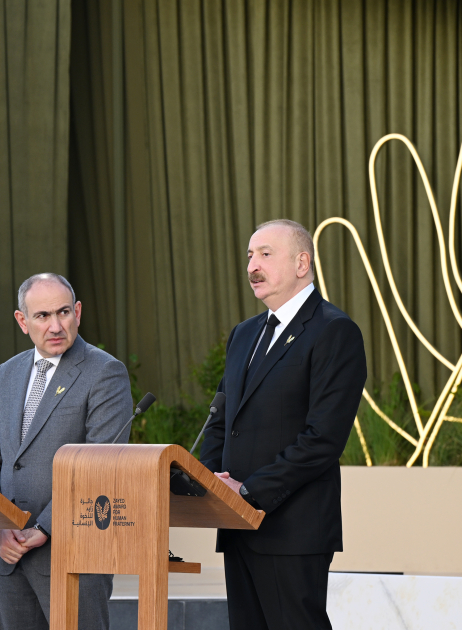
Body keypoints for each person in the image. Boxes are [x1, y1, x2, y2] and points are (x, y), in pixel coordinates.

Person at [198, 220, 367, 630]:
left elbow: (322, 439)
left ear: (302, 262)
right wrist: (210, 484)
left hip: (292, 530)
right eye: (250, 256)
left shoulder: (334, 330)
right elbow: (221, 419)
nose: (253, 265)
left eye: (265, 254)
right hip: (238, 524)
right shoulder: (244, 334)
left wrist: (250, 491)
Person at [0, 273, 133, 630]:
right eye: (42, 316)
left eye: (63, 312)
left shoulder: (105, 372)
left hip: (72, 552)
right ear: (22, 321)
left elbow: (100, 466)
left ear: (77, 312)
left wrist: (44, 528)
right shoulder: (7, 373)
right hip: (9, 555)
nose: (56, 325)